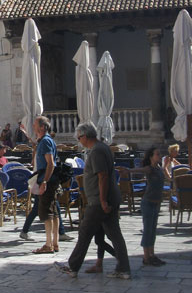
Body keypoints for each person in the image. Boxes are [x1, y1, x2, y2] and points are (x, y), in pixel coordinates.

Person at [55, 121, 130, 279]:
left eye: (79, 138)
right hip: (107, 198)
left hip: (99, 200)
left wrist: (102, 200)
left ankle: (73, 266)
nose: (79, 141)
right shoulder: (103, 148)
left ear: (85, 136)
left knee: (85, 232)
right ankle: (124, 268)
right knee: (115, 234)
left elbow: (102, 176)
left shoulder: (96, 151)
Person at [30, 115, 60, 255]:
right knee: (53, 212)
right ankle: (54, 242)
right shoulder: (46, 141)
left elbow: (51, 163)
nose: (33, 126)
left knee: (46, 212)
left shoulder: (46, 142)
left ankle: (49, 244)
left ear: (42, 127)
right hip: (49, 179)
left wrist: (44, 182)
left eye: (35, 124)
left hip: (47, 180)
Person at [132, 146, 166, 266]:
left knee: (152, 230)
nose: (160, 156)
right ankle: (146, 257)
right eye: (157, 154)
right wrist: (127, 171)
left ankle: (152, 254)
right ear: (151, 157)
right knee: (147, 230)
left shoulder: (159, 168)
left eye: (160, 154)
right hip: (148, 202)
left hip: (156, 203)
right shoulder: (150, 169)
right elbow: (139, 170)